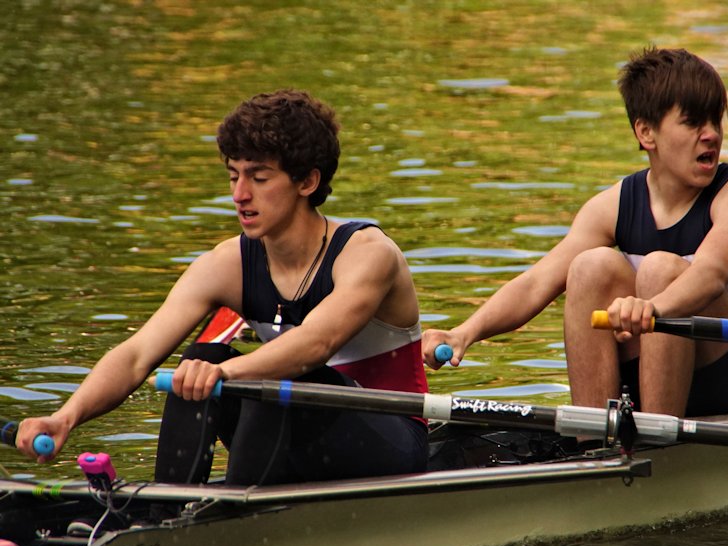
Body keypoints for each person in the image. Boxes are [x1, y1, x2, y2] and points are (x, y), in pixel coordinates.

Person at [17, 89, 429, 485]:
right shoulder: (226, 264)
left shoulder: (367, 253)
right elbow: (136, 355)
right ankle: (171, 510)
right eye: (233, 176)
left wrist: (223, 372)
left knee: (269, 380)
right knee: (198, 358)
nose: (239, 194)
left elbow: (315, 345)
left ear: (307, 182)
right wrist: (65, 417)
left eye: (259, 177)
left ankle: (232, 518)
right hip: (296, 430)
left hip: (391, 440)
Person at [424, 47, 728, 418]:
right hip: (668, 372)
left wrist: (652, 308)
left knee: (660, 271)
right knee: (590, 267)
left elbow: (711, 273)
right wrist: (465, 333)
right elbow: (537, 281)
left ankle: (659, 451)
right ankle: (595, 447)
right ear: (646, 133)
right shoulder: (613, 205)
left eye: (715, 121)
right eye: (693, 122)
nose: (710, 135)